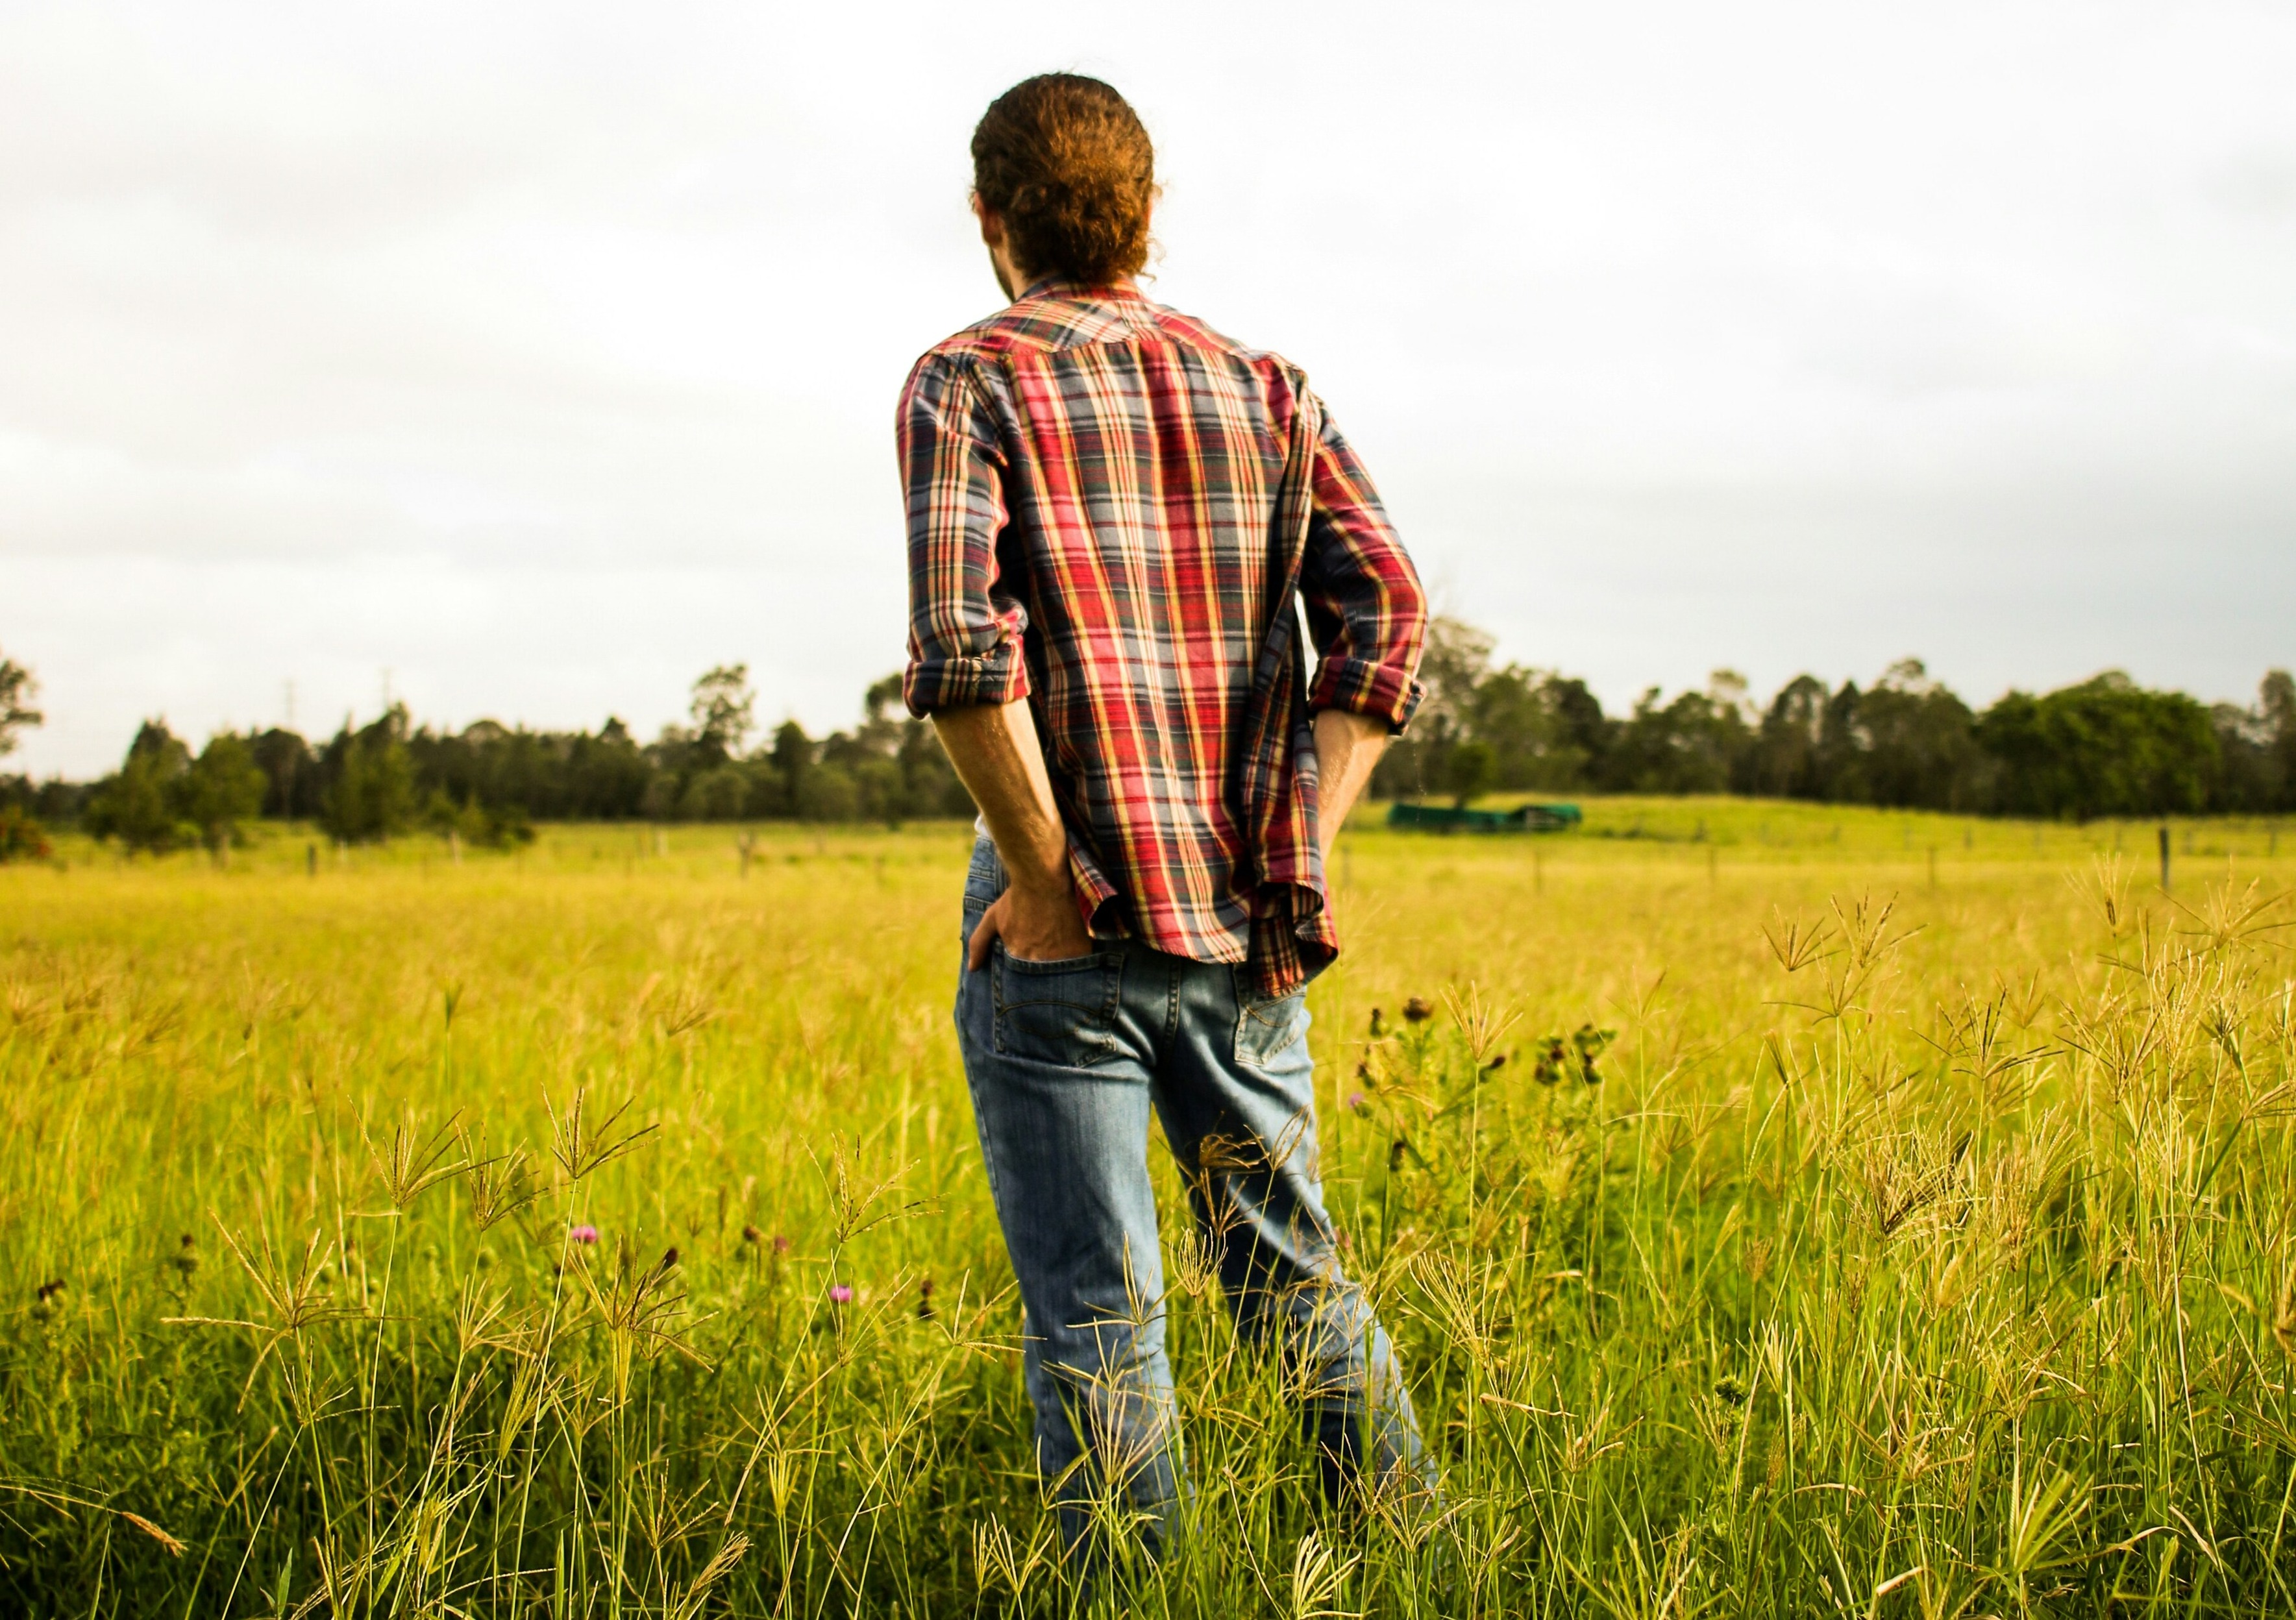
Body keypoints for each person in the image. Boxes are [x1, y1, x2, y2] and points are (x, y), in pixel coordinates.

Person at [898, 73, 1433, 1566]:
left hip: (1062, 928)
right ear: (1143, 212)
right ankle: (1410, 1571)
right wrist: (1302, 841)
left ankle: (1133, 1598)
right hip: (1243, 914)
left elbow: (960, 648)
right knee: (1293, 1279)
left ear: (991, 216)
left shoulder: (966, 379)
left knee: (1095, 1306)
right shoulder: (1266, 387)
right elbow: (1385, 608)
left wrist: (1043, 873)